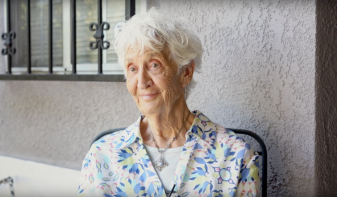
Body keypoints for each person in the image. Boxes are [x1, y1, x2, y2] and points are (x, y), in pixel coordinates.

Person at [78, 7, 260, 197]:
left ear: (186, 73)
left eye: (154, 65)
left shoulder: (235, 157)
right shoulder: (103, 155)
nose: (141, 82)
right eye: (132, 68)